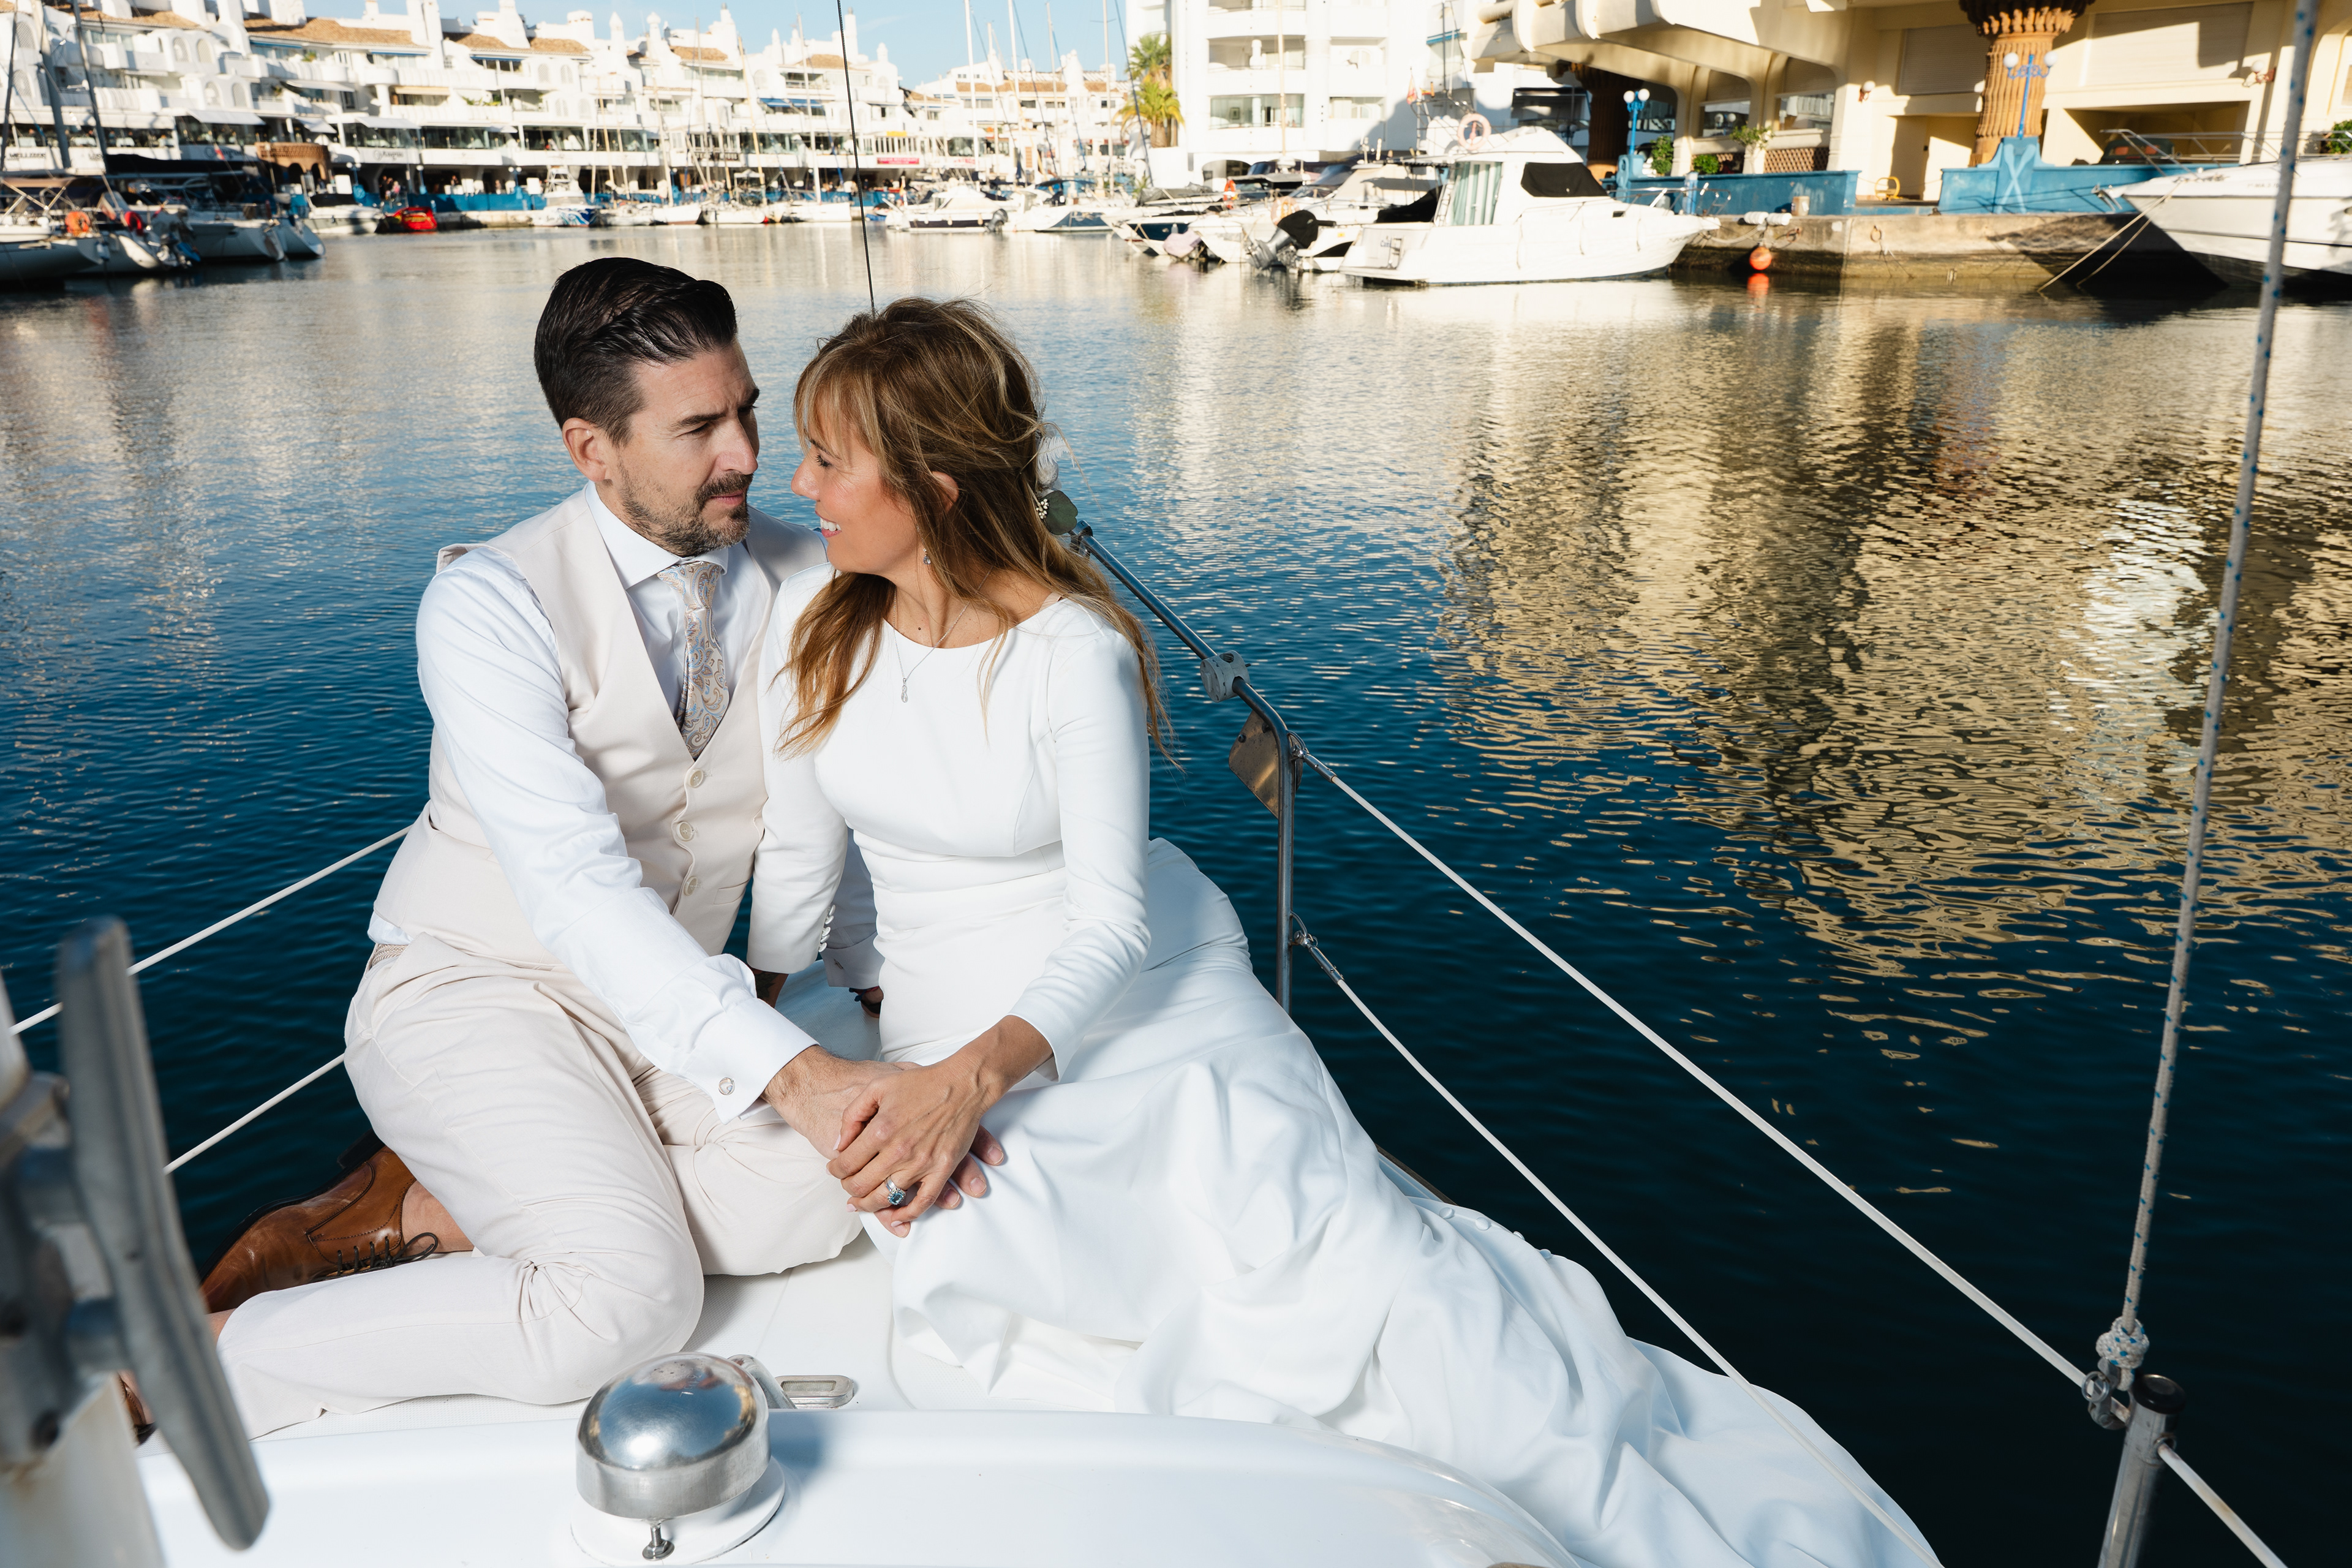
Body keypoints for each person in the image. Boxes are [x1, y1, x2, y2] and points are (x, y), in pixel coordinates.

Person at [748, 297, 1936, 1567]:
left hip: (1112, 1012)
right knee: (1002, 1261)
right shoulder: (821, 627)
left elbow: (1108, 924)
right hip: (939, 1016)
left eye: (828, 459)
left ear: (931, 484)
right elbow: (798, 872)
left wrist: (961, 1085)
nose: (798, 485)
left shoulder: (1069, 652)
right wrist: (752, 1030)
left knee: (1337, 1273)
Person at [196, 260, 999, 1436]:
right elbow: (573, 888)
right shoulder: (489, 606)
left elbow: (835, 805)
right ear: (592, 449)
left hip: (666, 1002)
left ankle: (444, 1208)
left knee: (849, 1186)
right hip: (474, 987)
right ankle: (199, 1358)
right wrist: (793, 1073)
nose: (746, 455)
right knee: (628, 1301)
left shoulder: (807, 571)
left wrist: (868, 985)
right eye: (698, 430)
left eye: (746, 412)